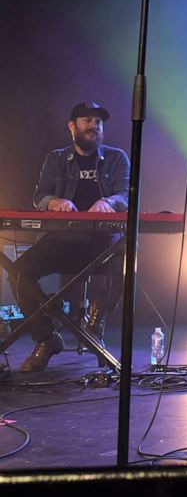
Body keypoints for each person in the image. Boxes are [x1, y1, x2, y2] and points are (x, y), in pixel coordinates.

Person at [9, 102, 130, 372]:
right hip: (62, 242)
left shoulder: (117, 158)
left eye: (98, 121)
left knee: (127, 258)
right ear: (72, 126)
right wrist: (55, 202)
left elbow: (125, 194)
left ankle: (93, 328)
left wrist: (109, 201)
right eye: (87, 120)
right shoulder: (55, 159)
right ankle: (46, 338)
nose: (94, 125)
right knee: (18, 273)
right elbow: (40, 196)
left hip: (102, 244)